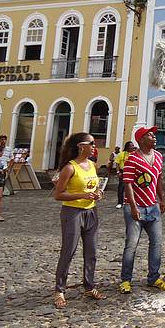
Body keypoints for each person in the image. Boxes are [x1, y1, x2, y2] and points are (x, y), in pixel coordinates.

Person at [52, 132, 105, 308]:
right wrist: (82, 195)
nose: (94, 146)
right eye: (91, 143)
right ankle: (59, 289)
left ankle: (89, 285)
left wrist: (98, 193)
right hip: (72, 213)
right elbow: (58, 194)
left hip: (91, 212)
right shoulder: (70, 168)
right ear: (80, 146)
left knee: (91, 251)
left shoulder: (92, 165)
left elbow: (94, 186)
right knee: (69, 250)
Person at [119, 127, 165, 294]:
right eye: (149, 134)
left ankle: (154, 277)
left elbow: (158, 179)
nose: (154, 136)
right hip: (136, 207)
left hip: (153, 207)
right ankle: (126, 280)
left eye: (153, 134)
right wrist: (133, 207)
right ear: (141, 140)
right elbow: (127, 184)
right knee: (131, 245)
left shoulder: (157, 156)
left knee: (156, 244)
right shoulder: (132, 159)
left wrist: (162, 199)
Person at [114, 142, 136, 209]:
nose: (133, 147)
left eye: (133, 145)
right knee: (121, 187)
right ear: (127, 147)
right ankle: (120, 202)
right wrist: (118, 172)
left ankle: (130, 201)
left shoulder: (135, 154)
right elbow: (117, 163)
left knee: (132, 188)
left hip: (133, 172)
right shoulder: (122, 154)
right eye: (131, 146)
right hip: (123, 171)